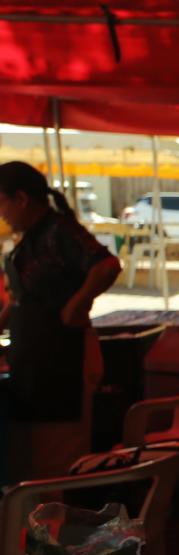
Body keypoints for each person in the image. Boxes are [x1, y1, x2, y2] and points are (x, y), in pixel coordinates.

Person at [0, 162, 121, 480]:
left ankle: (56, 524)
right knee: (32, 455)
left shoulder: (59, 230)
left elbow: (107, 266)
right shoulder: (30, 238)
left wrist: (75, 306)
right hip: (33, 356)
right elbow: (22, 297)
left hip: (63, 356)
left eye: (2, 203)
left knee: (58, 456)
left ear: (21, 198)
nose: (1, 213)